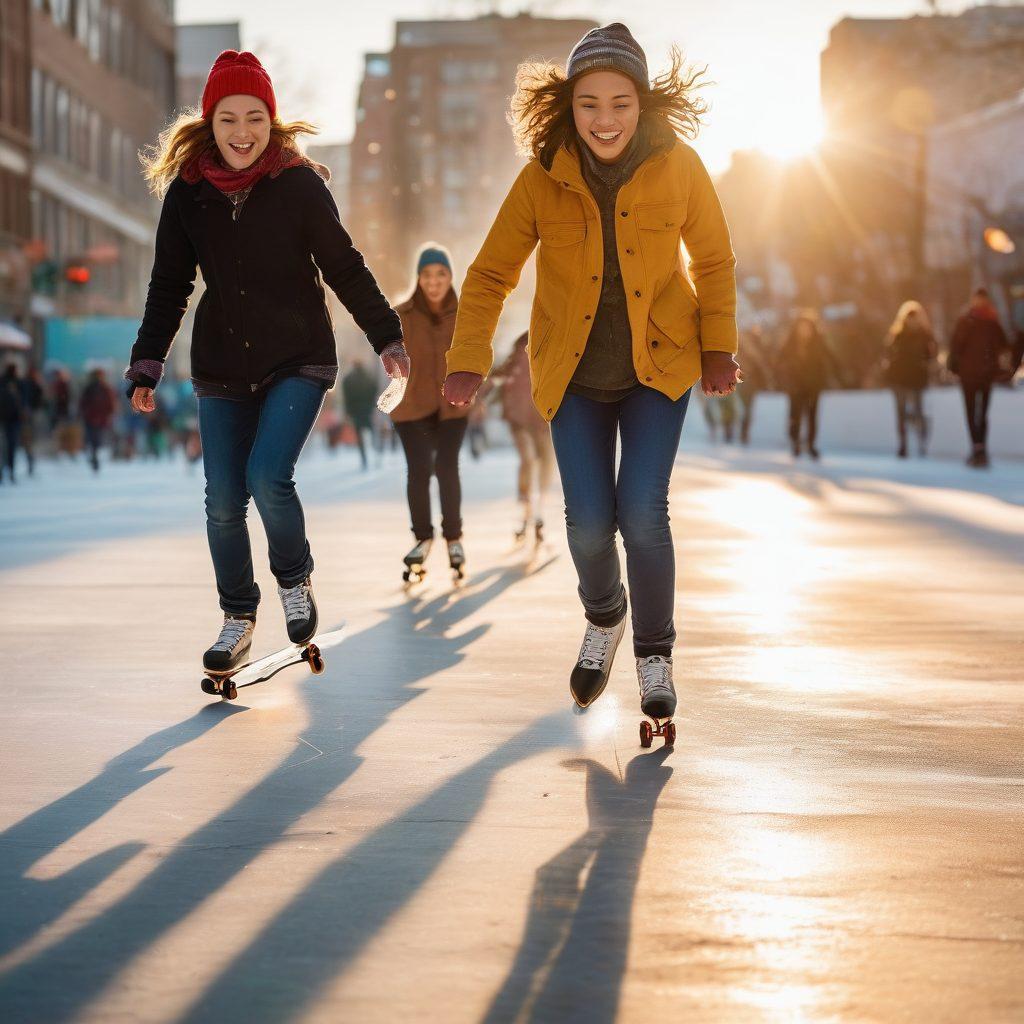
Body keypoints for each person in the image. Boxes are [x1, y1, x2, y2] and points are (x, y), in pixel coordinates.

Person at [442, 23, 740, 722]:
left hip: (658, 368)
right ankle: (605, 615)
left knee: (643, 514)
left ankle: (655, 656)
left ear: (642, 104)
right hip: (573, 374)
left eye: (620, 103)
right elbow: (489, 275)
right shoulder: (540, 178)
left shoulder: (680, 166)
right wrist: (468, 360)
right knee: (586, 525)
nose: (605, 119)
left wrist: (719, 346)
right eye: (589, 104)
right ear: (567, 107)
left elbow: (714, 260)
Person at [124, 50, 407, 672]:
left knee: (267, 476)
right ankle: (238, 618)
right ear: (210, 122)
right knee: (223, 499)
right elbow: (169, 284)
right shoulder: (189, 193)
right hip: (222, 364)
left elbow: (344, 266)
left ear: (271, 121)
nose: (242, 132)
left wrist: (386, 335)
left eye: (255, 117)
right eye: (229, 118)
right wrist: (147, 360)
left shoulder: (299, 185)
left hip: (298, 357)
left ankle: (294, 579)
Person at [390, 244, 468, 580]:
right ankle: (422, 538)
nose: (433, 281)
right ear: (418, 278)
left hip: (454, 405)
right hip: (412, 408)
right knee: (419, 470)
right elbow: (388, 355)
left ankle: (454, 538)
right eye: (427, 274)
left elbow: (478, 352)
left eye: (440, 274)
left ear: (450, 276)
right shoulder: (401, 315)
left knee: (447, 467)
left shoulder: (466, 314)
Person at [490, 332, 556, 543]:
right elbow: (493, 379)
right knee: (530, 461)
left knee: (544, 464)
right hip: (522, 422)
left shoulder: (548, 358)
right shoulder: (515, 360)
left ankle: (536, 511)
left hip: (542, 421)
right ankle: (529, 511)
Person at [948, 287, 1010, 468]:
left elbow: (955, 346)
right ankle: (978, 448)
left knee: (978, 412)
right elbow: (956, 346)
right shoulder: (981, 321)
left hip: (979, 374)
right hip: (975, 374)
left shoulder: (983, 321)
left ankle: (979, 449)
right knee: (977, 412)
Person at [777, 312, 840, 459]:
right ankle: (795, 442)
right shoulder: (790, 344)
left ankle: (811, 445)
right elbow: (779, 362)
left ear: (812, 328)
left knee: (812, 416)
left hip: (813, 385)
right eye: (801, 327)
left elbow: (831, 359)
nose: (804, 330)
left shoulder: (819, 342)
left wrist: (836, 375)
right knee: (795, 415)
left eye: (807, 327)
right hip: (795, 385)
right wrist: (784, 377)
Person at [883, 300, 936, 458]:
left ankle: (921, 441)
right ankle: (903, 444)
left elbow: (931, 355)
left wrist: (925, 364)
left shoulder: (925, 335)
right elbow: (888, 354)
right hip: (899, 377)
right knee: (900, 412)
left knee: (917, 410)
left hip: (917, 377)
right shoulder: (897, 334)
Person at [737, 323, 771, 445]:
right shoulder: (744, 344)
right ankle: (739, 430)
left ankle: (743, 431)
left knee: (746, 407)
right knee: (743, 407)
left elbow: (762, 366)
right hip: (741, 380)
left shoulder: (758, 344)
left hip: (749, 382)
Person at [340, 359, 378, 470]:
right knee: (372, 431)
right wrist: (373, 405)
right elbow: (374, 389)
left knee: (359, 435)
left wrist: (347, 412)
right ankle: (376, 453)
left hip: (355, 411)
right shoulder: (369, 377)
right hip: (368, 409)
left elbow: (346, 397)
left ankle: (364, 458)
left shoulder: (348, 379)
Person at [79, 367, 117, 472]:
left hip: (94, 419)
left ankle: (94, 455)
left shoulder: (94, 388)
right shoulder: (103, 388)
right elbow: (111, 404)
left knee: (93, 440)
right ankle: (94, 456)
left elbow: (82, 403)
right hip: (97, 419)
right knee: (95, 440)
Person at [0, 364, 22, 484]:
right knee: (8, 447)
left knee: (8, 447)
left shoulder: (17, 383)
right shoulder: (10, 383)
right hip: (8, 419)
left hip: (11, 419)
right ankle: (8, 471)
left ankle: (9, 471)